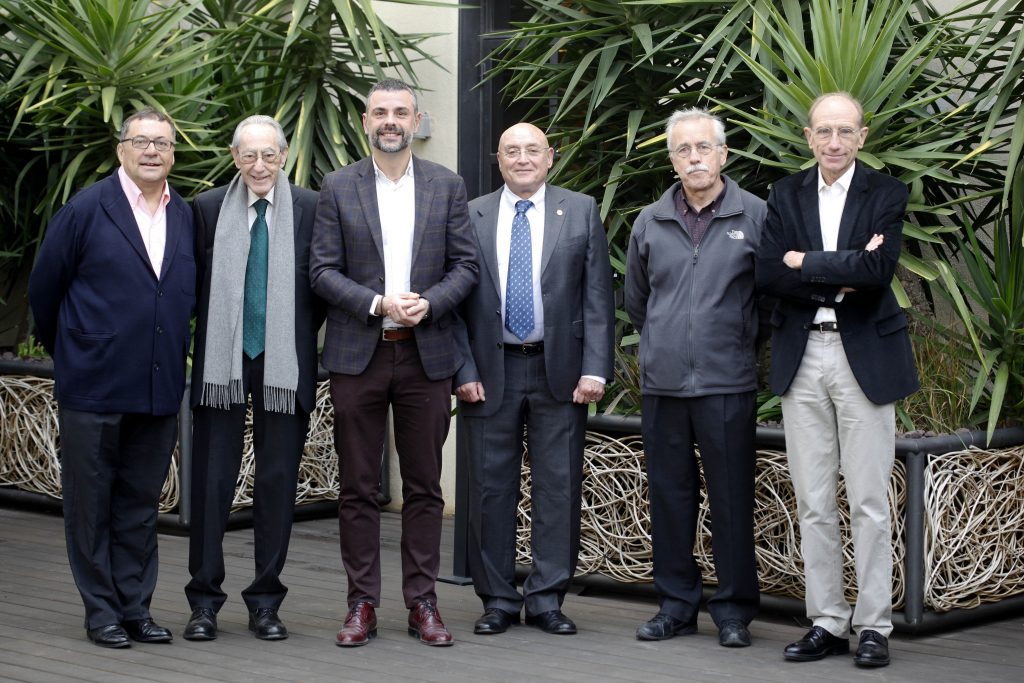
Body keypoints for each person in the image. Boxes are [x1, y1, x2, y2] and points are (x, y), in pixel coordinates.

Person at [309, 78, 478, 648]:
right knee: (357, 486)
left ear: (416, 121)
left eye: (400, 112)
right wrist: (378, 303)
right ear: (365, 122)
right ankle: (361, 603)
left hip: (426, 355)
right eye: (380, 112)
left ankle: (422, 602)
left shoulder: (447, 185)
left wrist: (429, 303)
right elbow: (322, 271)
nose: (390, 121)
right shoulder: (338, 186)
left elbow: (466, 267)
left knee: (425, 485)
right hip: (358, 354)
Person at [756, 92, 919, 668]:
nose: (833, 142)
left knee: (870, 499)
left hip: (863, 358)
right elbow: (769, 272)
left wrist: (806, 261)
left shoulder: (886, 191)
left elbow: (877, 271)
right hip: (803, 356)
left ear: (862, 136)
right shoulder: (785, 193)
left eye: (845, 131)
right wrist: (837, 272)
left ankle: (873, 625)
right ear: (808, 137)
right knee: (813, 500)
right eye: (823, 131)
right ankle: (826, 620)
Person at [28, 108, 195, 648]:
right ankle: (100, 612)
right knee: (90, 505)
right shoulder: (85, 209)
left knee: (140, 506)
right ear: (121, 149)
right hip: (93, 385)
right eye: (141, 141)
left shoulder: (184, 214)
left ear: (173, 154)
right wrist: (76, 351)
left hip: (157, 385)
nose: (152, 151)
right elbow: (44, 291)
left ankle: (135, 608)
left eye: (162, 143)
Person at [453, 123, 614, 637]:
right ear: (498, 160)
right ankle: (498, 599)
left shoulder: (580, 210)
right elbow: (453, 300)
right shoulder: (471, 213)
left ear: (550, 157)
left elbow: (598, 295)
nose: (522, 159)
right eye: (511, 151)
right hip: (489, 372)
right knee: (488, 490)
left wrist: (595, 368)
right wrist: (462, 369)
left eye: (532, 150)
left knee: (559, 487)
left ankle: (547, 599)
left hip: (559, 372)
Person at [183, 116, 325, 642]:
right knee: (211, 483)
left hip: (284, 364)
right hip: (221, 363)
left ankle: (266, 602)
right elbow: (192, 287)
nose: (259, 165)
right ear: (234, 156)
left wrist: (293, 335)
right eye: (249, 155)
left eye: (269, 154)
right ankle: (203, 602)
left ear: (284, 155)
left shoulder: (312, 208)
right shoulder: (205, 209)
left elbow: (322, 285)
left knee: (276, 483)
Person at [625, 108, 764, 648]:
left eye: (704, 147)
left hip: (727, 383)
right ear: (672, 160)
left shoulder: (755, 215)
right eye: (683, 149)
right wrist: (664, 343)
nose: (695, 158)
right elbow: (638, 302)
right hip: (663, 385)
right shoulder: (649, 221)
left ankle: (733, 612)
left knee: (731, 499)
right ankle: (676, 607)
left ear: (723, 154)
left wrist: (734, 342)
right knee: (669, 497)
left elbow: (769, 300)